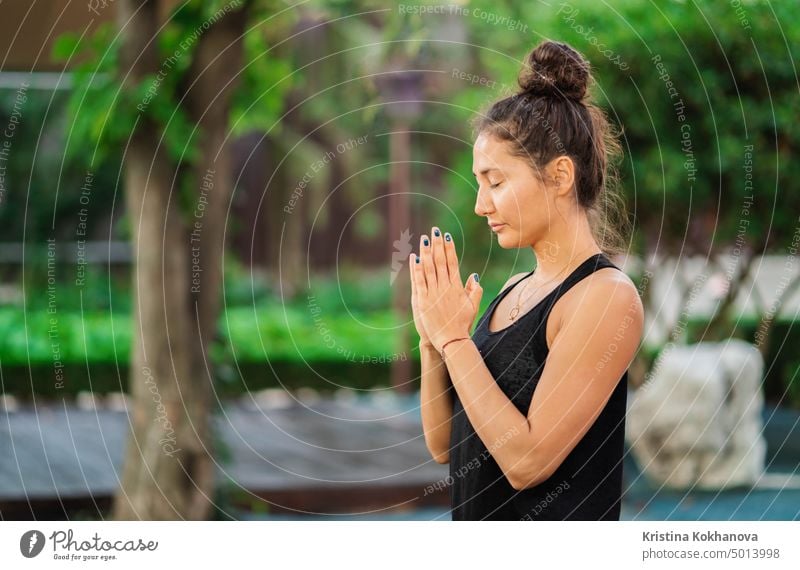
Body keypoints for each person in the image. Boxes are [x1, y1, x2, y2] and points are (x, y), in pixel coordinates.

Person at [409, 40, 644, 520]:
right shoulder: (514, 289)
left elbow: (528, 462)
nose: (480, 204)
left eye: (495, 182)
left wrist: (456, 340)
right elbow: (444, 446)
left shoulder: (604, 298)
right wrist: (432, 339)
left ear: (559, 176)